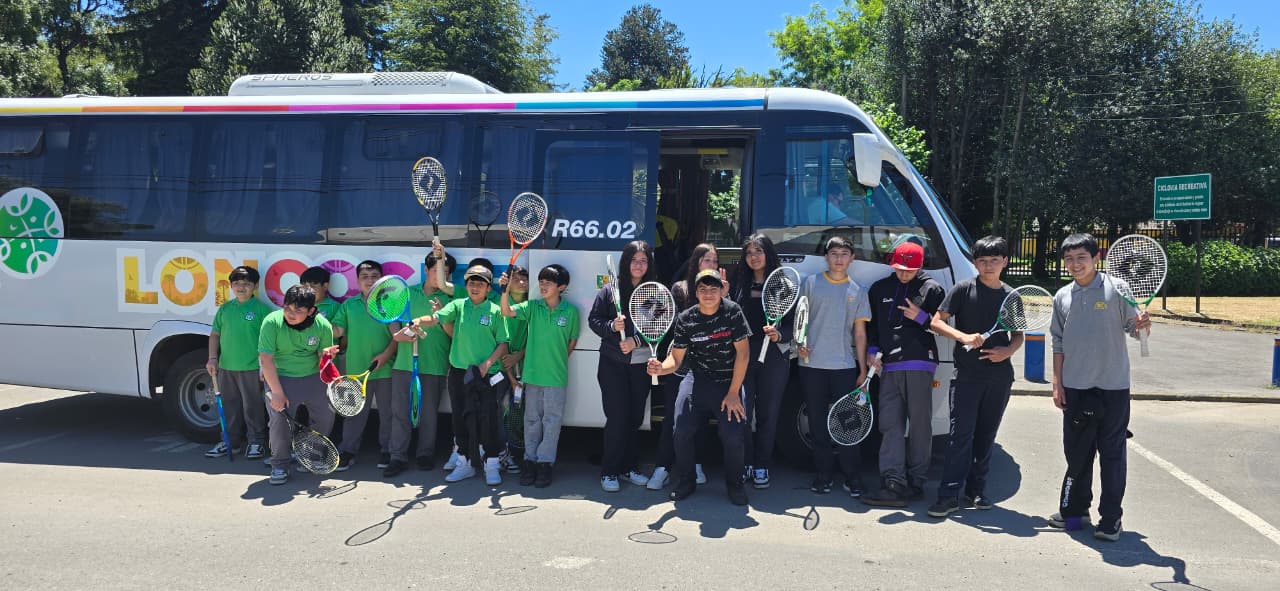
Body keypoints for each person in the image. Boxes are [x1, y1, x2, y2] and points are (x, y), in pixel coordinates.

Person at [1048, 233, 1150, 542]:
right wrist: (1057, 383)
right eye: (1069, 259)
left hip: (1113, 386)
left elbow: (1133, 329)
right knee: (1077, 455)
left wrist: (1142, 325)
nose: (1075, 264)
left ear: (1096, 257)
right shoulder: (1062, 296)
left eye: (1081, 257)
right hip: (1075, 387)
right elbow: (1058, 341)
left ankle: (1110, 520)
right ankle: (1077, 514)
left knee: (1112, 455)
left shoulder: (1118, 289)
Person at [927, 236, 1022, 517]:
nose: (988, 265)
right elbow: (935, 321)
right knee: (960, 436)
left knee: (986, 435)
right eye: (982, 261)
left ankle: (976, 489)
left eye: (994, 260)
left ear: (1004, 262)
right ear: (975, 263)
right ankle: (947, 495)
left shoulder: (1011, 295)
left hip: (1000, 378)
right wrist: (962, 336)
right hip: (967, 376)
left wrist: (1008, 351)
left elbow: (1018, 335)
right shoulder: (963, 289)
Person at [648, 269, 752, 506]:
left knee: (733, 436)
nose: (708, 294)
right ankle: (687, 480)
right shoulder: (686, 318)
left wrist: (734, 393)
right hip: (697, 380)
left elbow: (744, 355)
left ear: (720, 291)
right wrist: (660, 369)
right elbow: (676, 360)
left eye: (713, 289)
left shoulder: (733, 312)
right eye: (703, 289)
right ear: (696, 293)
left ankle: (735, 484)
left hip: (729, 383)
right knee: (681, 430)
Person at [862, 241, 946, 507]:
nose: (904, 274)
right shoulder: (879, 289)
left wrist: (921, 317)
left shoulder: (932, 288)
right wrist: (872, 350)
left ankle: (917, 481)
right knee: (890, 424)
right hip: (889, 366)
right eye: (899, 269)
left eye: (909, 270)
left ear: (920, 266)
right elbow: (873, 326)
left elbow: (942, 326)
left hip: (920, 362)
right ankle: (893, 482)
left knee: (920, 424)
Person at [412, 265, 510, 486]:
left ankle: (491, 465)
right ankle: (464, 464)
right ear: (466, 286)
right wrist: (418, 321)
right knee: (460, 419)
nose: (475, 287)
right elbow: (435, 318)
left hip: (487, 375)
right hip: (459, 373)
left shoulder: (495, 311)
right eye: (471, 283)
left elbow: (503, 343)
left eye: (480, 284)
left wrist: (487, 363)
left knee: (488, 421)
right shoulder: (458, 305)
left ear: (488, 288)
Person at [795, 236, 871, 496]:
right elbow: (800, 322)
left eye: (844, 253)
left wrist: (862, 370)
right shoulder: (811, 283)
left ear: (852, 258)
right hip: (811, 365)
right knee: (817, 423)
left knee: (848, 424)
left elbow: (860, 334)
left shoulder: (858, 291)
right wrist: (799, 343)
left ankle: (853, 477)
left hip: (845, 367)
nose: (839, 258)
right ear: (826, 257)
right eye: (834, 253)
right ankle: (823, 475)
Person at [501, 264, 580, 488]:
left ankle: (545, 464)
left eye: (549, 282)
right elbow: (507, 312)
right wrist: (504, 290)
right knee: (532, 421)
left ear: (561, 287)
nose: (543, 286)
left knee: (551, 423)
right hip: (532, 376)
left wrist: (554, 362)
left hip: (556, 377)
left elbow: (571, 343)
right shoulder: (533, 306)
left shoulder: (571, 312)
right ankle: (530, 462)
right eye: (541, 281)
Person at [588, 240, 658, 492]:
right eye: (634, 260)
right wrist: (611, 327)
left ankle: (629, 468)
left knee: (634, 418)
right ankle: (610, 471)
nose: (638, 265)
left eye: (643, 260)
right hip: (612, 364)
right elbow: (594, 320)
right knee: (617, 418)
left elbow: (659, 327)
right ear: (626, 262)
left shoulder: (654, 292)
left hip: (640, 365)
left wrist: (635, 340)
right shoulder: (610, 291)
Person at [728, 234, 793, 489]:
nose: (754, 257)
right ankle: (745, 462)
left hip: (774, 356)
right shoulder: (737, 282)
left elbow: (792, 327)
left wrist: (779, 335)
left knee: (769, 413)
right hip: (743, 355)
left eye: (759, 251)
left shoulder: (783, 285)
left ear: (768, 253)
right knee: (742, 411)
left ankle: (762, 465)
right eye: (749, 253)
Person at [385, 246, 456, 476]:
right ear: (426, 270)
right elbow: (392, 318)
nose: (441, 278)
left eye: (446, 273)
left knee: (429, 414)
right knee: (400, 413)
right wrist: (397, 335)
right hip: (404, 365)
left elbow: (452, 333)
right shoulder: (407, 293)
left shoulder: (451, 300)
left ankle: (425, 454)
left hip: (434, 365)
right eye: (437, 271)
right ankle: (397, 457)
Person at [258, 284, 337, 485]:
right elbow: (266, 359)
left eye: (298, 310)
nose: (291, 314)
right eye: (287, 308)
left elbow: (323, 360)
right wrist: (276, 393)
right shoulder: (271, 322)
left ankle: (310, 456)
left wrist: (327, 357)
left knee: (326, 417)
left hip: (312, 377)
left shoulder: (323, 326)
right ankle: (279, 465)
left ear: (311, 311)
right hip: (280, 377)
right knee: (279, 422)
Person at [331, 260, 398, 472]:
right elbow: (337, 332)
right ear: (357, 281)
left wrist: (386, 355)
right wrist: (314, 321)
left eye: (374, 276)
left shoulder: (388, 303)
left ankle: (388, 450)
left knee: (388, 414)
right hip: (356, 371)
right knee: (354, 413)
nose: (370, 280)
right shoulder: (349, 306)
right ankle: (348, 450)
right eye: (365, 277)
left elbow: (397, 336)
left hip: (385, 369)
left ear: (382, 279)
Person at [204, 265, 273, 461]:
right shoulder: (225, 308)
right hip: (226, 367)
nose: (241, 287)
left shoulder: (262, 310)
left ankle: (256, 442)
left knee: (253, 407)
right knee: (229, 406)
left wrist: (263, 366)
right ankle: (230, 442)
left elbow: (268, 340)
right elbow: (215, 335)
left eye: (246, 284)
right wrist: (212, 358)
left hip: (251, 368)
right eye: (236, 284)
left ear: (255, 286)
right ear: (231, 286)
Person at [497, 265, 531, 475]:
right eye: (516, 278)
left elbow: (535, 338)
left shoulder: (533, 306)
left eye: (524, 278)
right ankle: (501, 455)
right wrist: (510, 376)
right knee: (502, 413)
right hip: (502, 370)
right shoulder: (500, 306)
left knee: (519, 414)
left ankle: (515, 454)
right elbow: (500, 343)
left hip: (525, 369)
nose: (521, 282)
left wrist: (519, 355)